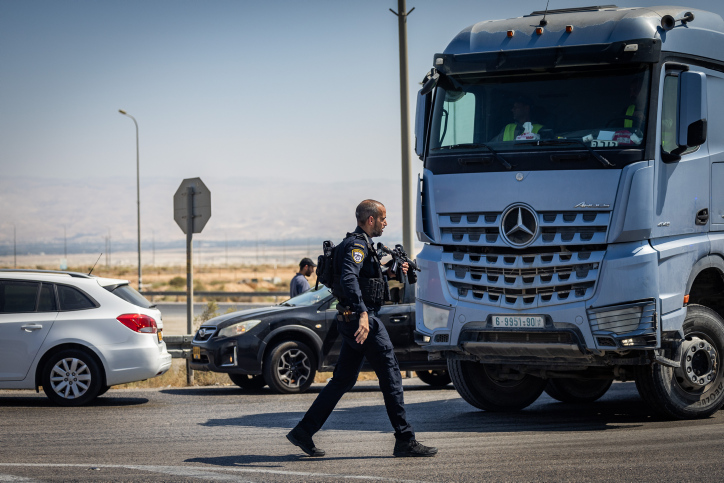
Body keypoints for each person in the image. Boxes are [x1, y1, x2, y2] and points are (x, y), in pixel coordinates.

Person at [286, 199, 437, 458]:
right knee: (391, 376)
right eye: (383, 218)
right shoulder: (357, 245)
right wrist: (363, 313)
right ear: (370, 220)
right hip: (362, 321)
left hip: (351, 320)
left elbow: (368, 279)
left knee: (342, 381)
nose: (386, 223)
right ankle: (405, 439)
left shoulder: (362, 244)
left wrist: (391, 272)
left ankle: (304, 431)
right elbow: (349, 277)